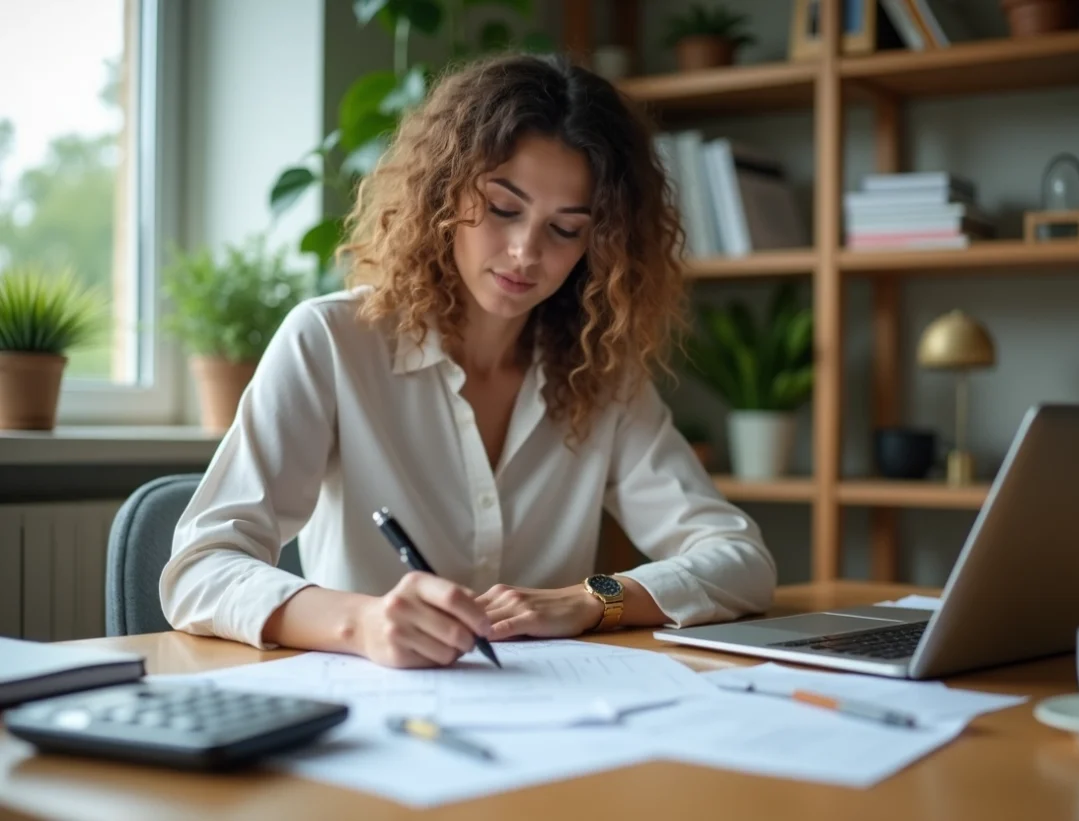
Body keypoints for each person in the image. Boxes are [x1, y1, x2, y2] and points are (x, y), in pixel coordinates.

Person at [160, 52, 776, 670]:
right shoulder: (330, 341)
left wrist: (593, 599)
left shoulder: (603, 375)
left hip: (553, 718)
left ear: (599, 245)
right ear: (443, 192)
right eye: (504, 208)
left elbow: (740, 559)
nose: (524, 253)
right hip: (370, 714)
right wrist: (362, 622)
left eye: (564, 230)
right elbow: (199, 567)